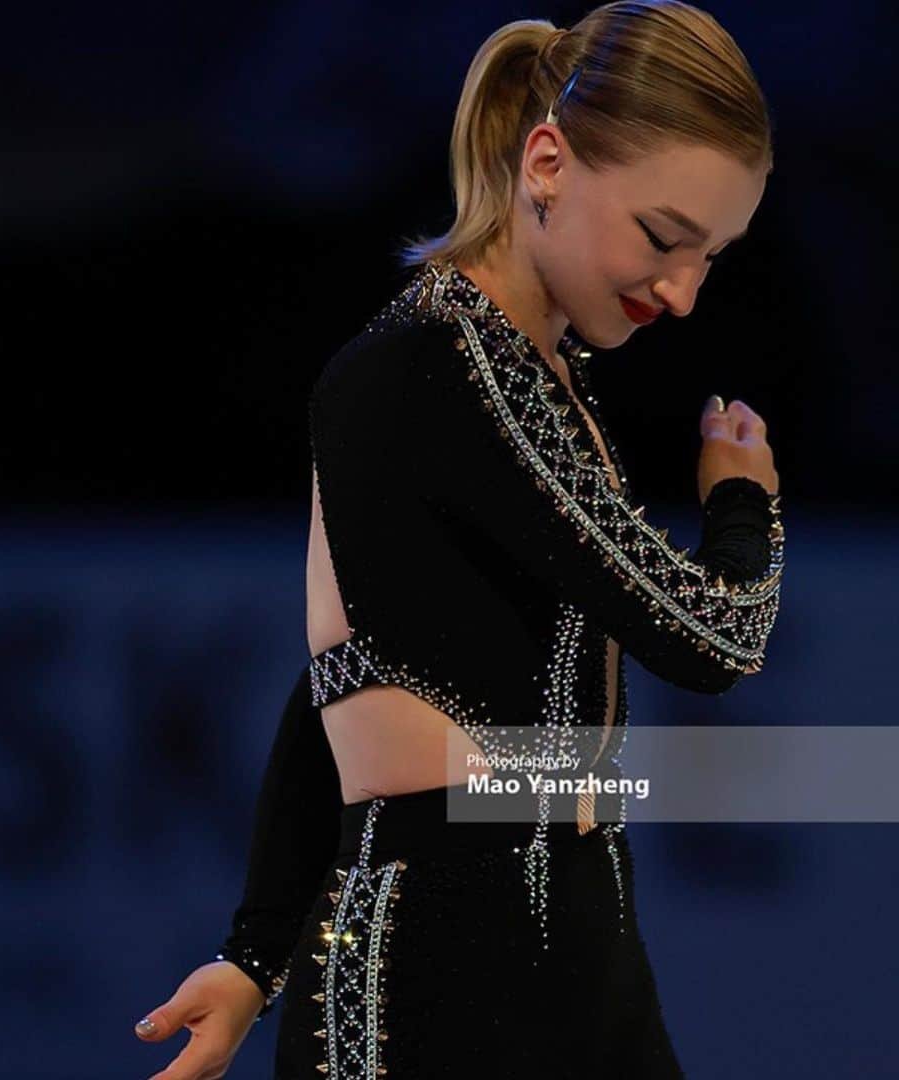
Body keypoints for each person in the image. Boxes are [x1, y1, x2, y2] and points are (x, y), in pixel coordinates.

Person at [135, 2, 784, 1076]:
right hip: (426, 977)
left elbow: (345, 671)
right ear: (546, 162)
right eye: (666, 238)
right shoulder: (433, 369)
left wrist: (254, 951)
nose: (683, 291)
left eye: (713, 256)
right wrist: (742, 504)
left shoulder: (531, 378)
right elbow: (715, 640)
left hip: (580, 948)